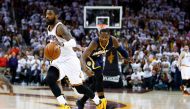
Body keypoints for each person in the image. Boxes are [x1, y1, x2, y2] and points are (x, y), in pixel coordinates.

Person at [45, 7, 104, 109]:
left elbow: (72, 42)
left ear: (56, 15)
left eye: (50, 14)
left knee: (79, 89)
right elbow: (51, 46)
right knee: (50, 79)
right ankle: (64, 105)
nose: (47, 16)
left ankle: (98, 101)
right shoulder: (49, 28)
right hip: (58, 60)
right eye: (46, 14)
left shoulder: (60, 27)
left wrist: (61, 45)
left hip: (70, 60)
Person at [78, 28, 129, 109]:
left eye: (106, 37)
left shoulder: (113, 40)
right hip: (89, 58)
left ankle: (81, 101)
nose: (104, 39)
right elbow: (83, 57)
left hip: (99, 58)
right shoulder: (94, 43)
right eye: (102, 37)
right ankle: (102, 104)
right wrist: (85, 69)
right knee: (99, 76)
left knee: (96, 83)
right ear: (99, 36)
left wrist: (128, 57)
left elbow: (121, 50)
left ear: (109, 36)